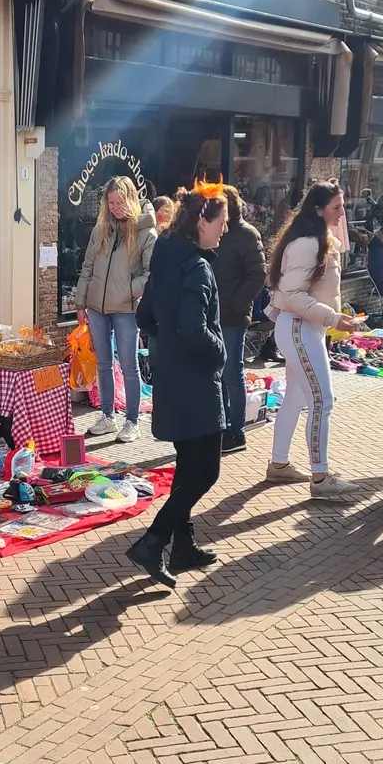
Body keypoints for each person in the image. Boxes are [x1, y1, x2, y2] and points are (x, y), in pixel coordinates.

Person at [129, 184, 229, 587]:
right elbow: (194, 329)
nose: (223, 232)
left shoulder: (166, 258)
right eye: (220, 225)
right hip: (196, 382)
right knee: (205, 471)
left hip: (173, 376)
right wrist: (219, 349)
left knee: (188, 466)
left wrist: (163, 345)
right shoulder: (197, 266)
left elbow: (143, 316)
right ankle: (153, 540)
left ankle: (183, 546)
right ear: (202, 222)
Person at [264, 182, 363, 496]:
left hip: (303, 328)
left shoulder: (316, 239)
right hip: (300, 328)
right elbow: (292, 294)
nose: (341, 213)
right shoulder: (309, 243)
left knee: (295, 399)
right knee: (321, 400)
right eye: (337, 207)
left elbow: (290, 290)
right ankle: (320, 477)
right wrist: (335, 319)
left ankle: (279, 465)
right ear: (319, 209)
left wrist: (333, 319)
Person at [75, 176, 157, 444]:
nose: (114, 207)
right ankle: (107, 416)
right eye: (110, 202)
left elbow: (151, 274)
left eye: (119, 202)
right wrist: (80, 302)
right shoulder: (100, 230)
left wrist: (129, 289)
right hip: (97, 307)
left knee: (130, 366)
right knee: (103, 364)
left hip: (126, 309)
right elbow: (87, 267)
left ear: (131, 199)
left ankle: (132, 421)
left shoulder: (146, 233)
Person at [213, 185, 267, 454]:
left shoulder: (246, 235)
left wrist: (237, 301)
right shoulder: (215, 232)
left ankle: (237, 432)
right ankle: (222, 427)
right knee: (219, 374)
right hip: (214, 313)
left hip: (233, 315)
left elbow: (258, 275)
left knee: (233, 374)